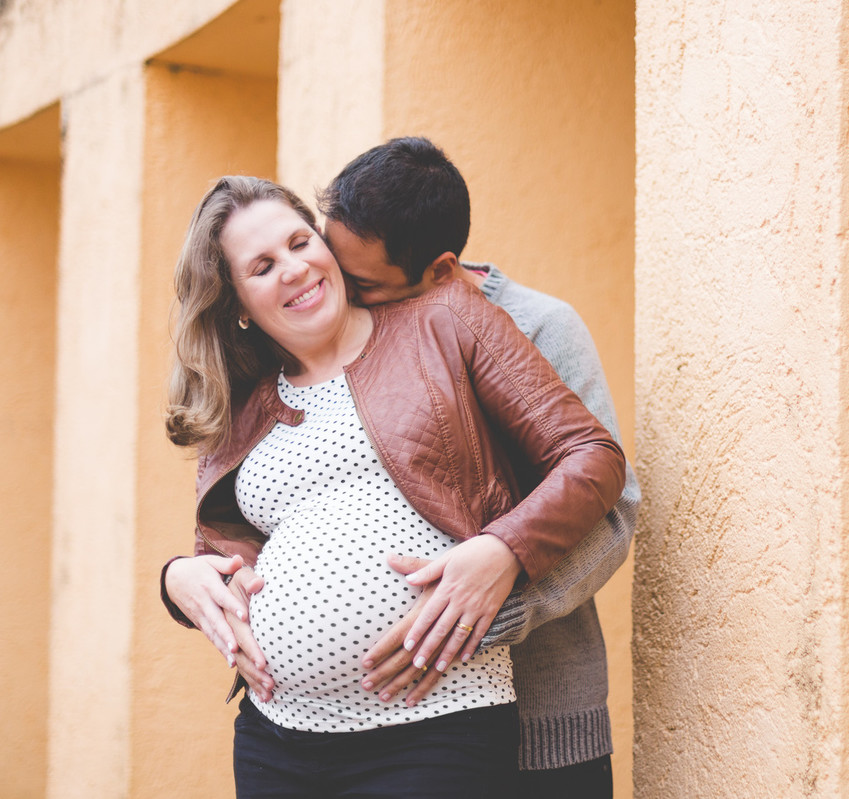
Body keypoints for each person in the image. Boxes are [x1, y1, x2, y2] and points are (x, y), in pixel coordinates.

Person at [160, 175, 625, 797]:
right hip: (276, 736)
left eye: (302, 242)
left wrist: (504, 549)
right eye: (265, 265)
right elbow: (233, 552)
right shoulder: (243, 400)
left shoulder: (444, 322)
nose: (296, 268)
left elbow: (591, 457)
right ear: (237, 303)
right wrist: (180, 578)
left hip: (436, 724)